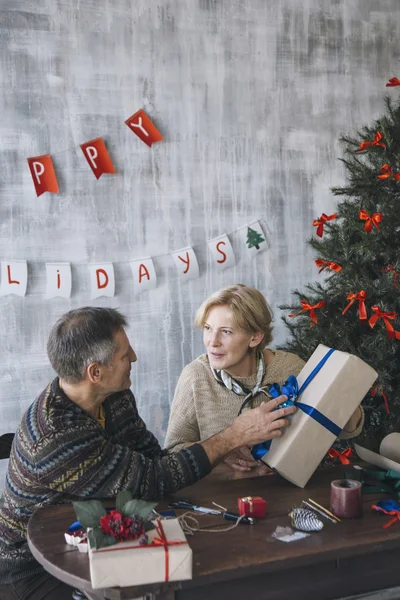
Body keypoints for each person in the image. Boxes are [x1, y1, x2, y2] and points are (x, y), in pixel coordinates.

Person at [0, 307, 296, 600]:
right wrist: (232, 435)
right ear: (95, 372)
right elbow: (152, 480)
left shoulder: (113, 396)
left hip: (98, 534)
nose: (134, 358)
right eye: (124, 355)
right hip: (36, 565)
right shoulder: (56, 437)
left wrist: (222, 460)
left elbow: (153, 461)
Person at [165, 284, 364, 473]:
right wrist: (219, 451)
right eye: (208, 328)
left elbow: (346, 429)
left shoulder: (289, 367)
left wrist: (344, 400)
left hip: (283, 491)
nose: (212, 342)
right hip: (220, 494)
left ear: (255, 338)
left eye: (226, 332)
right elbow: (172, 452)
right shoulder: (195, 376)